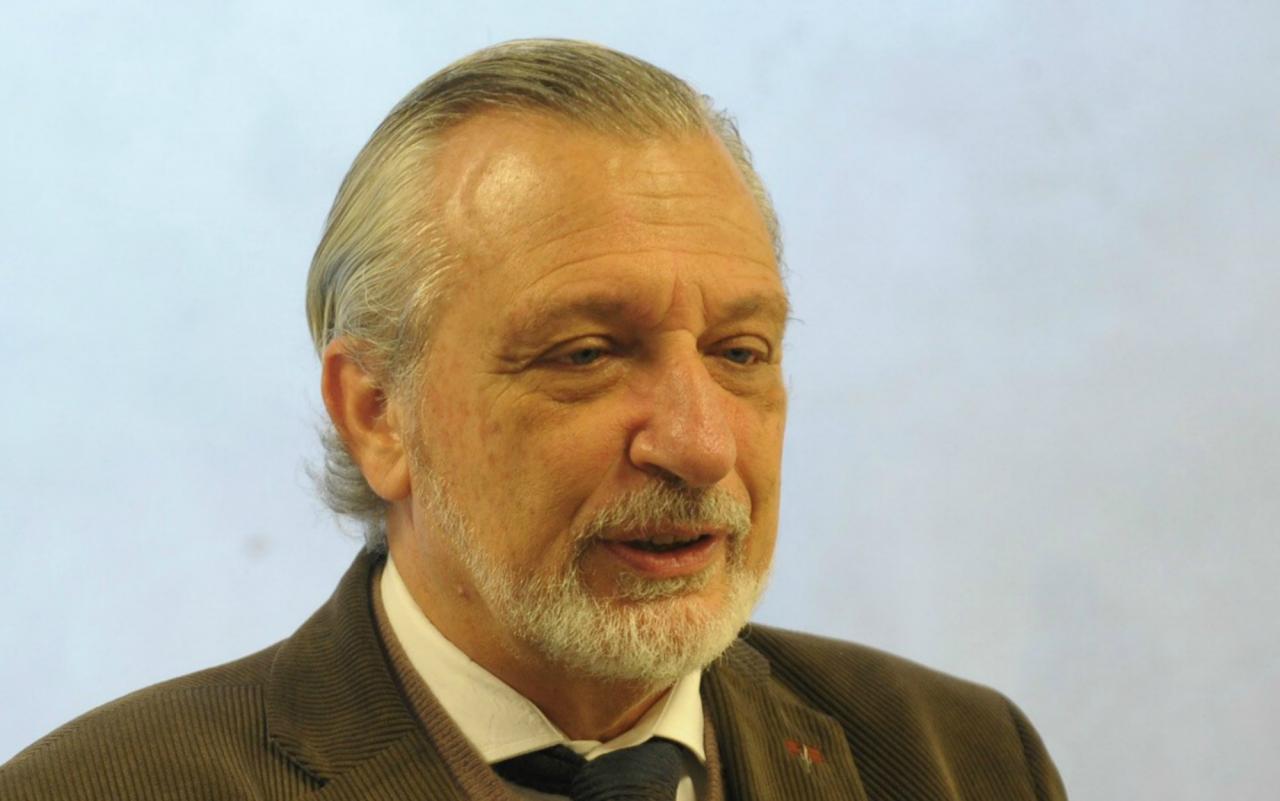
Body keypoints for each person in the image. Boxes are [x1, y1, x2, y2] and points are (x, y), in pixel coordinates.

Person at [0, 39, 1067, 800]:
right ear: (378, 414)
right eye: (587, 354)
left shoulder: (960, 760)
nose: (700, 445)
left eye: (739, 352)